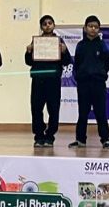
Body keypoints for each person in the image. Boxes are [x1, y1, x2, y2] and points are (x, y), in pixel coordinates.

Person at [25, 14, 72, 147]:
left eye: (50, 23)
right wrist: (29, 52)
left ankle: (50, 136)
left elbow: (67, 61)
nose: (47, 26)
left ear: (54, 25)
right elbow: (29, 62)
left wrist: (64, 52)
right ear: (41, 27)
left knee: (53, 109)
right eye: (44, 24)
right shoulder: (36, 41)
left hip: (53, 80)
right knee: (36, 109)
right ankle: (39, 136)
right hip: (38, 80)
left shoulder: (59, 42)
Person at [69, 15, 109, 150]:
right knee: (83, 113)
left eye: (96, 27)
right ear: (85, 28)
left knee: (100, 112)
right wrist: (80, 76)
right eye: (90, 26)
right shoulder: (80, 45)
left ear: (99, 29)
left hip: (98, 83)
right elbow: (77, 63)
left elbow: (107, 63)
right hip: (83, 84)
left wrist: (101, 75)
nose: (93, 29)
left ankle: (105, 139)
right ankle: (80, 139)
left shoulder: (103, 45)